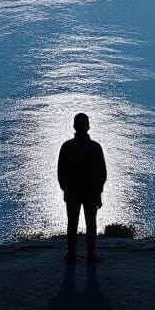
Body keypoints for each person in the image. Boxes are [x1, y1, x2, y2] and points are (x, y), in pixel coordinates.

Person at [57, 112, 107, 262]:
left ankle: (71, 253)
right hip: (91, 192)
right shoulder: (95, 147)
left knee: (72, 223)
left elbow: (60, 172)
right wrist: (99, 192)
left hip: (72, 192)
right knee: (91, 223)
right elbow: (102, 173)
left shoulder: (67, 147)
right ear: (88, 127)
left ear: (74, 126)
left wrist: (65, 189)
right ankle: (91, 254)